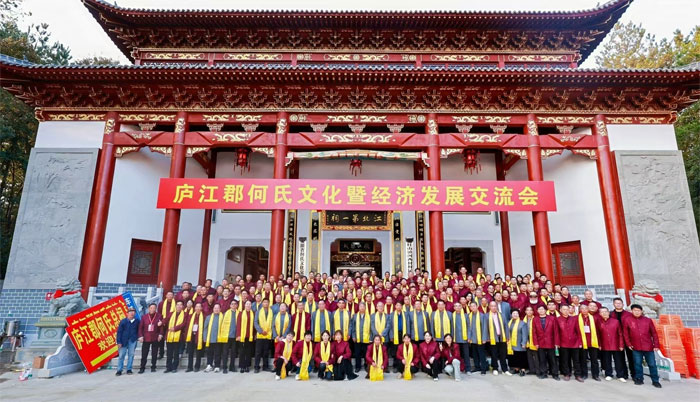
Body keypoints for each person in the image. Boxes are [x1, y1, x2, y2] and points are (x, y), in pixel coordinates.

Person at [623, 304, 662, 388]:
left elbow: (654, 333)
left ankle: (655, 381)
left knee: (652, 364)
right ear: (632, 311)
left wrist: (656, 345)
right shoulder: (628, 320)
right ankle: (639, 379)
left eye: (638, 310)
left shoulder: (647, 320)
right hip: (635, 346)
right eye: (635, 310)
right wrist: (628, 344)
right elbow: (626, 334)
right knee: (637, 364)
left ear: (641, 311)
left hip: (648, 346)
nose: (637, 312)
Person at [598, 307, 627, 382]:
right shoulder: (598, 322)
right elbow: (598, 335)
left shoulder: (615, 321)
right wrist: (599, 344)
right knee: (607, 361)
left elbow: (620, 334)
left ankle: (620, 375)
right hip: (605, 344)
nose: (604, 313)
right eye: (602, 312)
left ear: (609, 312)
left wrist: (621, 344)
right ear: (600, 314)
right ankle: (608, 374)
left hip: (616, 344)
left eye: (605, 311)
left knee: (618, 361)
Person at [532, 305, 560, 380]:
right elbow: (534, 332)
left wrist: (556, 343)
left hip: (551, 342)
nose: (541, 311)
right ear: (537, 311)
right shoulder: (535, 319)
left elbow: (556, 331)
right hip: (540, 342)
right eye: (539, 309)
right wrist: (536, 343)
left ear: (545, 310)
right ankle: (543, 373)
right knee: (542, 359)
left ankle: (555, 374)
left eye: (542, 309)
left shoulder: (552, 318)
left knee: (553, 359)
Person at [556, 304, 582, 382]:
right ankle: (566, 374)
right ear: (560, 310)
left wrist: (580, 342)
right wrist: (557, 343)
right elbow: (556, 332)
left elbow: (578, 331)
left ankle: (578, 375)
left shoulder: (574, 319)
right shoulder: (557, 319)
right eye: (564, 309)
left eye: (567, 309)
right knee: (565, 360)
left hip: (574, 343)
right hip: (563, 342)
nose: (566, 311)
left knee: (576, 360)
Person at [484, 300, 511, 376]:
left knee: (503, 354)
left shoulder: (502, 315)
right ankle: (495, 368)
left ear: (497, 307)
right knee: (494, 354)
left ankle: (504, 369)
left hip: (502, 337)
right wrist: (486, 337)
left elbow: (506, 326)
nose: (493, 307)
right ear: (489, 307)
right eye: (492, 306)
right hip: (492, 337)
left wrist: (507, 336)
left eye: (495, 306)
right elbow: (485, 328)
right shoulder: (486, 316)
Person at [611, 297, 634, 378]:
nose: (618, 305)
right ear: (613, 304)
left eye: (619, 303)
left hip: (628, 338)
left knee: (631, 357)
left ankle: (634, 374)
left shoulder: (629, 314)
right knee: (620, 358)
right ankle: (624, 374)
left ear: (623, 304)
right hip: (617, 338)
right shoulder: (611, 314)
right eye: (616, 303)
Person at [137, 303, 163, 374]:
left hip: (155, 337)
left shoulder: (159, 316)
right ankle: (142, 368)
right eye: (151, 308)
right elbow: (140, 328)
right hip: (146, 337)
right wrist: (140, 336)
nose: (152, 309)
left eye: (154, 308)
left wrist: (160, 334)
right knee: (144, 354)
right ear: (149, 308)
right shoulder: (144, 317)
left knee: (154, 353)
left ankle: (153, 367)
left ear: (156, 309)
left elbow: (161, 327)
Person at [578, 304, 601, 381]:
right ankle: (584, 374)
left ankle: (595, 375)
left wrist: (599, 343)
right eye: (582, 308)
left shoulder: (594, 318)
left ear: (588, 309)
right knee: (583, 359)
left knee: (594, 360)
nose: (584, 310)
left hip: (593, 341)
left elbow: (598, 331)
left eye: (586, 308)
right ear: (580, 310)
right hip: (583, 342)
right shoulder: (577, 318)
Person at [203, 303, 227, 373]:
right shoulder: (208, 317)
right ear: (213, 309)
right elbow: (205, 328)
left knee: (218, 353)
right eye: (215, 308)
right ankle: (209, 365)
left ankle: (217, 366)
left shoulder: (223, 317)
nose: (216, 309)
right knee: (209, 353)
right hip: (210, 339)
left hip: (219, 338)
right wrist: (205, 337)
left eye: (218, 308)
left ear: (220, 309)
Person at [164, 301, 187, 373]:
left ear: (183, 306)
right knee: (169, 353)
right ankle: (168, 367)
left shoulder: (185, 314)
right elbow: (166, 320)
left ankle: (174, 367)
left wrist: (175, 328)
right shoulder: (171, 314)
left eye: (180, 305)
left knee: (176, 353)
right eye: (178, 305)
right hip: (169, 336)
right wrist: (162, 322)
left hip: (178, 336)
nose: (179, 306)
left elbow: (184, 324)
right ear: (175, 306)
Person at [115, 308, 139, 376]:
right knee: (121, 355)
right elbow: (119, 332)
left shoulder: (137, 321)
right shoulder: (123, 321)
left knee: (131, 355)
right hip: (123, 341)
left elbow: (138, 330)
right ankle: (119, 370)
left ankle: (129, 369)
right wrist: (118, 342)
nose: (132, 313)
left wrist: (137, 337)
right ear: (127, 313)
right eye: (130, 312)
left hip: (132, 340)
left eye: (133, 312)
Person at [388, 301, 410, 372]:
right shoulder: (391, 315)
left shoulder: (405, 314)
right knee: (395, 351)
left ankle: (403, 366)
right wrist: (391, 336)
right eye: (397, 305)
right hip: (395, 334)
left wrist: (407, 336)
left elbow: (408, 325)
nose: (398, 307)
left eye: (400, 305)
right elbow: (390, 327)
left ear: (402, 307)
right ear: (395, 306)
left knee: (403, 350)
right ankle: (395, 366)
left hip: (403, 334)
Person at [254, 299, 274, 373]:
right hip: (260, 335)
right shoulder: (258, 311)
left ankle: (265, 366)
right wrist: (261, 331)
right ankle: (256, 367)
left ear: (269, 303)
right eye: (264, 302)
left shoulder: (271, 311)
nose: (266, 303)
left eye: (267, 302)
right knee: (258, 352)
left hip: (268, 334)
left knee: (266, 352)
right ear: (262, 303)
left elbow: (273, 322)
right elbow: (255, 322)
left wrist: (269, 332)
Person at [350, 302, 372, 373]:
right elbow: (353, 327)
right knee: (357, 353)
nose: (362, 308)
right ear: (358, 308)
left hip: (366, 338)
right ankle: (358, 366)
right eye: (360, 306)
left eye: (363, 306)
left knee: (366, 353)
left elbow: (371, 328)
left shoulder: (369, 316)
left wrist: (370, 337)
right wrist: (353, 336)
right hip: (357, 338)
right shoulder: (355, 316)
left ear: (365, 308)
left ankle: (366, 366)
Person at [184, 302, 205, 372]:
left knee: (198, 353)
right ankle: (189, 367)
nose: (198, 308)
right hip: (191, 336)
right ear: (194, 308)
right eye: (196, 307)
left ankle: (197, 366)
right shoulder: (190, 316)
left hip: (199, 337)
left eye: (199, 307)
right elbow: (187, 326)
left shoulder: (204, 316)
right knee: (190, 353)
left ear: (201, 308)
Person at [468, 301, 488, 375]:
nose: (473, 307)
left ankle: (483, 368)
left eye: (474, 306)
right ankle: (477, 367)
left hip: (480, 338)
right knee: (475, 354)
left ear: (477, 306)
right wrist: (469, 337)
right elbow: (468, 328)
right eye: (471, 306)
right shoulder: (469, 316)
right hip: (473, 339)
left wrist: (484, 338)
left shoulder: (482, 316)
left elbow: (485, 328)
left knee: (481, 354)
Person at [237, 300, 256, 373]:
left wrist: (254, 334)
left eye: (249, 304)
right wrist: (238, 335)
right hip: (242, 335)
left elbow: (254, 325)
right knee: (242, 351)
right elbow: (238, 325)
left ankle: (247, 366)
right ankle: (242, 366)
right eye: (247, 304)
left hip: (250, 335)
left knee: (248, 351)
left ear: (251, 306)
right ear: (244, 305)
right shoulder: (241, 313)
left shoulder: (253, 313)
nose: (248, 305)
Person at [507, 310, 528, 376]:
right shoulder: (509, 323)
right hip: (511, 343)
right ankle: (516, 368)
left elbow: (525, 334)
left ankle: (522, 369)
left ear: (519, 315)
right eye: (514, 313)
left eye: (517, 313)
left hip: (520, 343)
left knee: (521, 356)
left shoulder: (522, 323)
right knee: (514, 356)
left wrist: (524, 343)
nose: (515, 314)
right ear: (511, 315)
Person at [451, 302, 471, 373]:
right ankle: (458, 369)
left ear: (461, 307)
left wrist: (469, 337)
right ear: (454, 308)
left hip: (464, 338)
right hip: (455, 338)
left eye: (459, 306)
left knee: (466, 354)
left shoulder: (466, 315)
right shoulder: (451, 316)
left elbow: (469, 327)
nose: (458, 307)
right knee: (456, 355)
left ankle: (468, 369)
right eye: (456, 306)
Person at [221, 299, 239, 373]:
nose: (233, 305)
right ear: (230, 305)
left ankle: (232, 367)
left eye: (235, 304)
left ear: (237, 305)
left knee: (233, 353)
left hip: (235, 336)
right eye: (232, 304)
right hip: (227, 335)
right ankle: (224, 367)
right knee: (225, 352)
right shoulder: (226, 313)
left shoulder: (239, 313)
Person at [523, 306, 540, 375]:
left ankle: (538, 371)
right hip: (527, 339)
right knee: (529, 356)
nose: (529, 312)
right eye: (527, 310)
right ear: (525, 312)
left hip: (534, 339)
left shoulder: (536, 319)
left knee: (536, 356)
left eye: (531, 310)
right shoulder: (523, 320)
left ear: (533, 312)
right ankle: (532, 370)